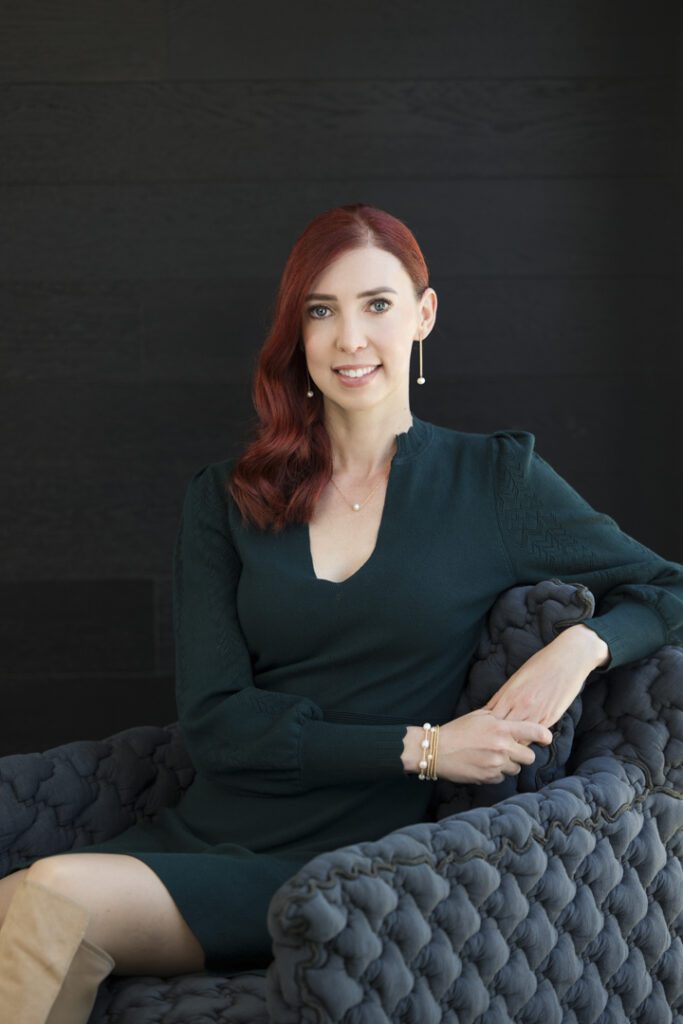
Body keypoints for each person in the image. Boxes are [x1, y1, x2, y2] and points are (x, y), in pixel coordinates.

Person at [0, 203, 681, 1022]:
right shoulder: (226, 498)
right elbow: (217, 723)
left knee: (54, 899)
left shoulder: (492, 482)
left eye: (377, 305)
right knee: (19, 907)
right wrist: (427, 748)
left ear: (423, 316)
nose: (349, 338)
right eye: (321, 311)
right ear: (297, 332)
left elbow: (665, 586)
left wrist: (578, 647)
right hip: (206, 832)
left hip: (345, 867)